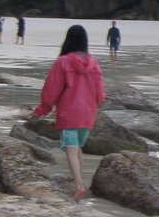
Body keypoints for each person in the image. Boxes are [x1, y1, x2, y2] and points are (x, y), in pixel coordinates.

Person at [33, 24, 106, 201]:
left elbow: (52, 88)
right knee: (78, 147)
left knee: (71, 150)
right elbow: (100, 93)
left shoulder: (63, 62)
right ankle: (79, 183)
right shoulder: (94, 64)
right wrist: (93, 106)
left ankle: (79, 185)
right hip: (87, 113)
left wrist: (43, 108)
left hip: (69, 113)